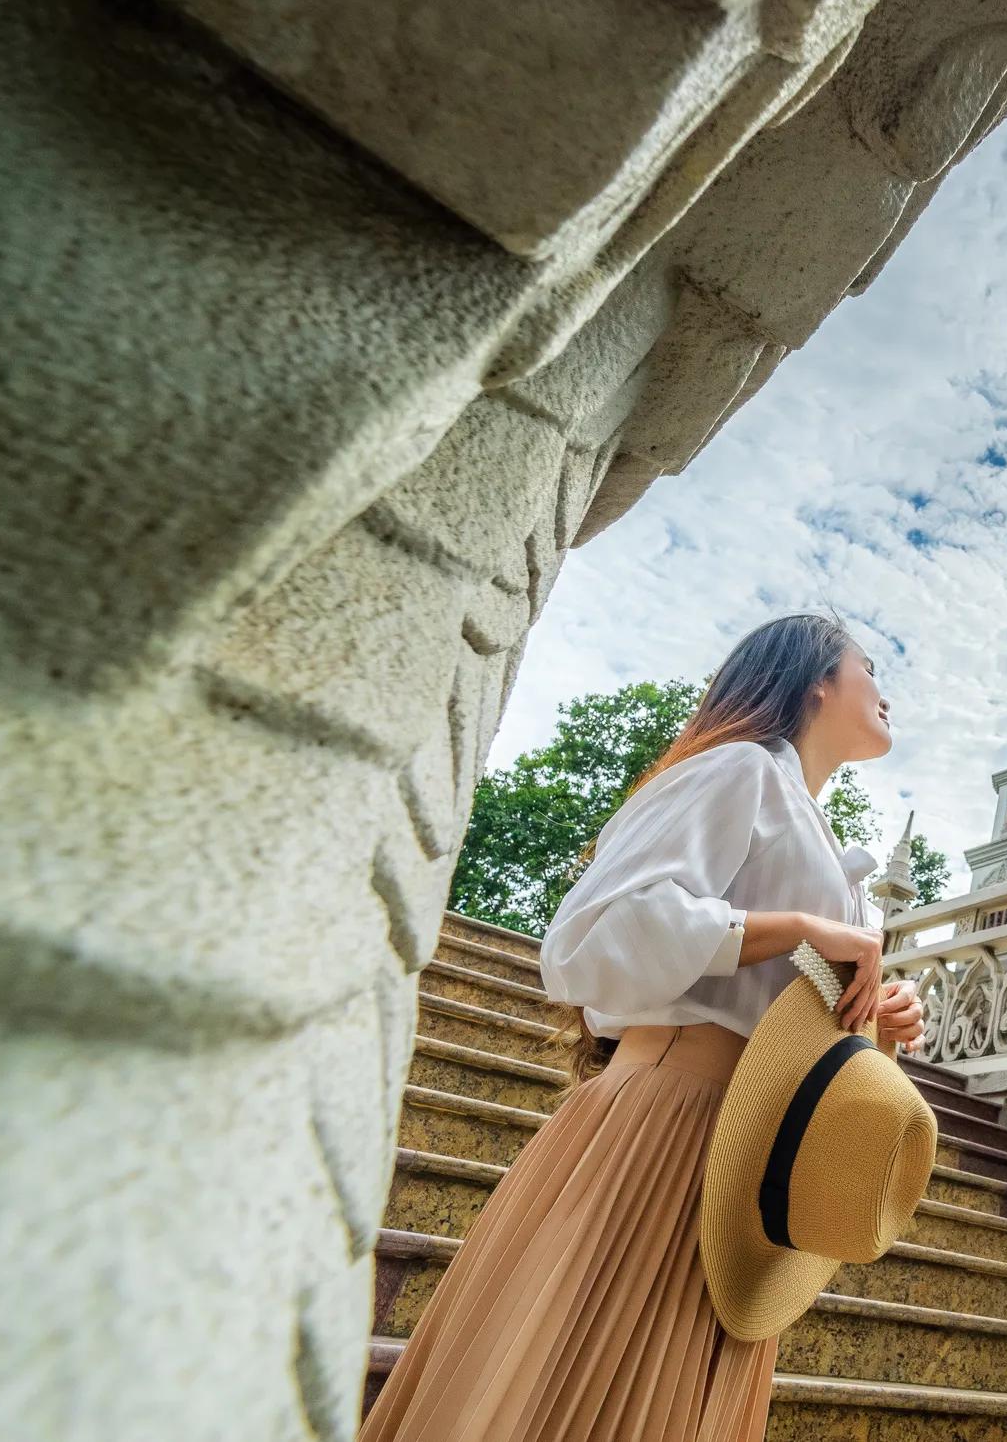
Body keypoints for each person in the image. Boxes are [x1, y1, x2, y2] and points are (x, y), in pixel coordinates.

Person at [363, 614, 926, 1442]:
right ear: (816, 680)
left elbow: (774, 992)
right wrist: (800, 927)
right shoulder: (739, 770)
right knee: (574, 1392)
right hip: (670, 1123)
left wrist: (870, 1010)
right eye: (869, 667)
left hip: (750, 1162)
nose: (885, 691)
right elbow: (593, 933)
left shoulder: (814, 825)